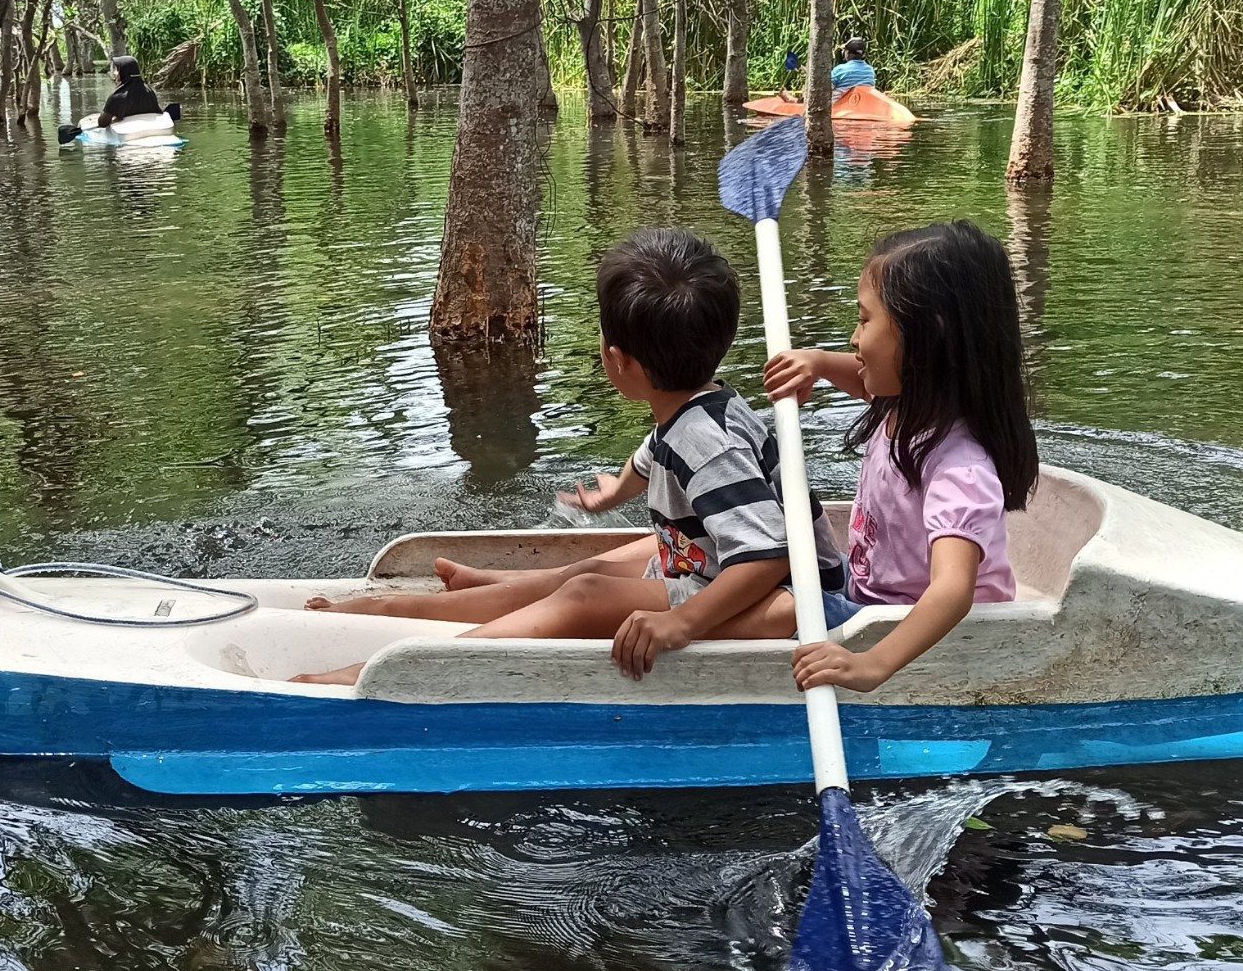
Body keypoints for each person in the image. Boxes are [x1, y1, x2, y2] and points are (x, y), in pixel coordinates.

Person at [296, 228, 844, 684]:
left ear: (617, 360)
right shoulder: (699, 405)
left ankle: (399, 669)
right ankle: (434, 601)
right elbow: (654, 458)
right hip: (720, 568)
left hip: (785, 603)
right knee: (598, 566)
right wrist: (616, 491)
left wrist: (683, 624)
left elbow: (766, 555)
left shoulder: (707, 441)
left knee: (587, 593)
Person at [760, 221, 1039, 693]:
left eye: (866, 320)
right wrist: (821, 363)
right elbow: (861, 375)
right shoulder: (909, 402)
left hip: (899, 619)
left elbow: (952, 591)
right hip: (866, 589)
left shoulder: (959, 466)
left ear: (925, 337)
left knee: (767, 606)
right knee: (761, 557)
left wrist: (873, 664)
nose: (854, 337)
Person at [90, 55, 164, 130]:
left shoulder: (116, 97)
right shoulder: (149, 91)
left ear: (123, 72)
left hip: (126, 135)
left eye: (117, 69)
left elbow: (102, 123)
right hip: (149, 131)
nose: (114, 73)